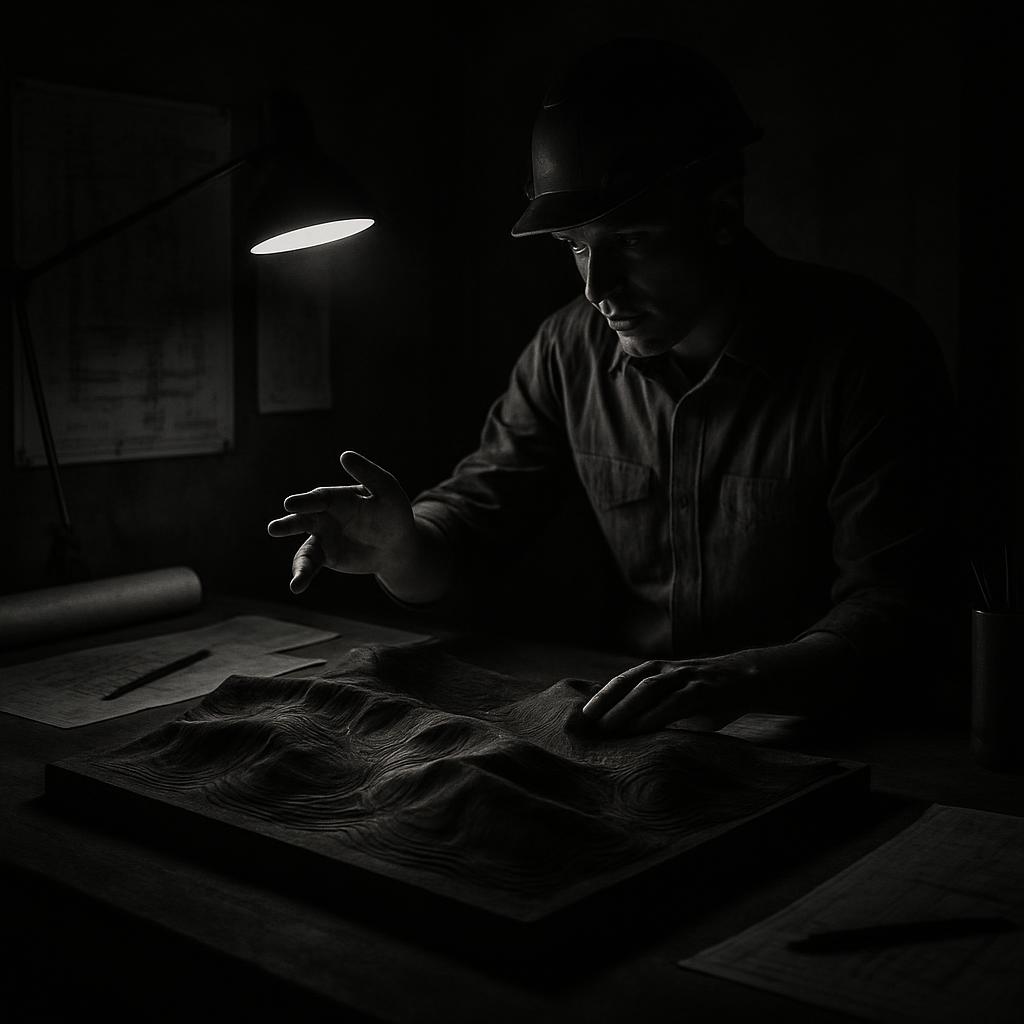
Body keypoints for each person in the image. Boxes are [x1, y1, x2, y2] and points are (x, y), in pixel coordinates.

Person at [268, 37, 961, 736]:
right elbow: (482, 513)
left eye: (631, 241)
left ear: (720, 215)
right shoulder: (569, 350)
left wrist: (741, 679)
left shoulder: (867, 351)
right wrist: (402, 546)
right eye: (575, 247)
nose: (599, 289)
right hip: (645, 736)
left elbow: (899, 604)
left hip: (838, 734)